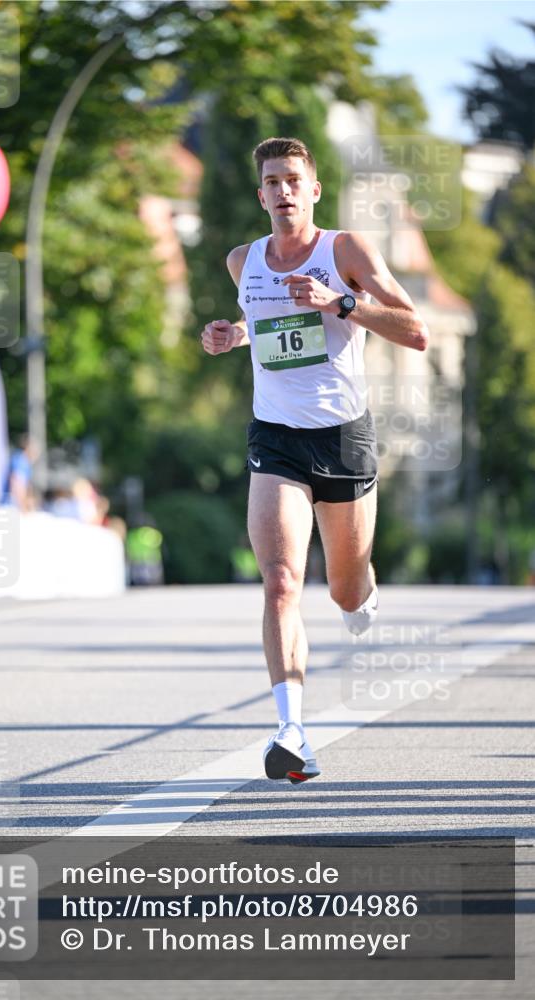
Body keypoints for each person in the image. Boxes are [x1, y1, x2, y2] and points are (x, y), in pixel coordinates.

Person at [201, 136, 429, 784]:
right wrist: (230, 335)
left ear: (313, 189)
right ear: (260, 194)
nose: (282, 191)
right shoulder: (242, 260)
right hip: (274, 440)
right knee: (279, 581)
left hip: (343, 438)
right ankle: (291, 731)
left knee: (342, 587)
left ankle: (362, 596)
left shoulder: (345, 251)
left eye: (293, 180)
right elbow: (265, 326)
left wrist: (339, 302)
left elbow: (416, 331)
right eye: (271, 182)